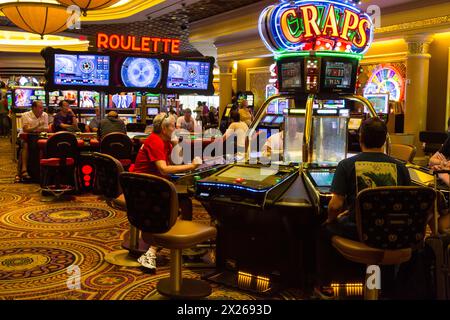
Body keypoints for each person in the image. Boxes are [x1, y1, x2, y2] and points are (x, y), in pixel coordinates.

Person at [315, 117, 412, 298]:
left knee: (323, 231)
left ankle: (325, 286)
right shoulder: (400, 167)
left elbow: (335, 205)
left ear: (360, 138)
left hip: (358, 231)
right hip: (392, 232)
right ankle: (384, 288)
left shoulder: (346, 165)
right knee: (382, 238)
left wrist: (330, 219)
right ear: (384, 140)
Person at [133, 112, 202, 271]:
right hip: (143, 186)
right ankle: (152, 251)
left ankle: (182, 241)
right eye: (173, 126)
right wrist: (191, 167)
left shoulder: (165, 141)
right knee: (178, 206)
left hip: (156, 183)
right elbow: (164, 169)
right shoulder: (155, 141)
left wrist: (176, 143)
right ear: (164, 128)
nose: (176, 127)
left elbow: (177, 161)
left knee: (185, 201)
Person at [16, 100, 48, 182]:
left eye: (42, 107)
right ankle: (23, 170)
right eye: (40, 108)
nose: (42, 109)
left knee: (44, 145)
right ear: (34, 108)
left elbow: (46, 129)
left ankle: (41, 171)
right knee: (25, 145)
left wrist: (33, 129)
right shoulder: (25, 115)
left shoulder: (45, 115)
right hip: (24, 137)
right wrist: (37, 126)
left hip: (39, 136)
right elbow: (25, 130)